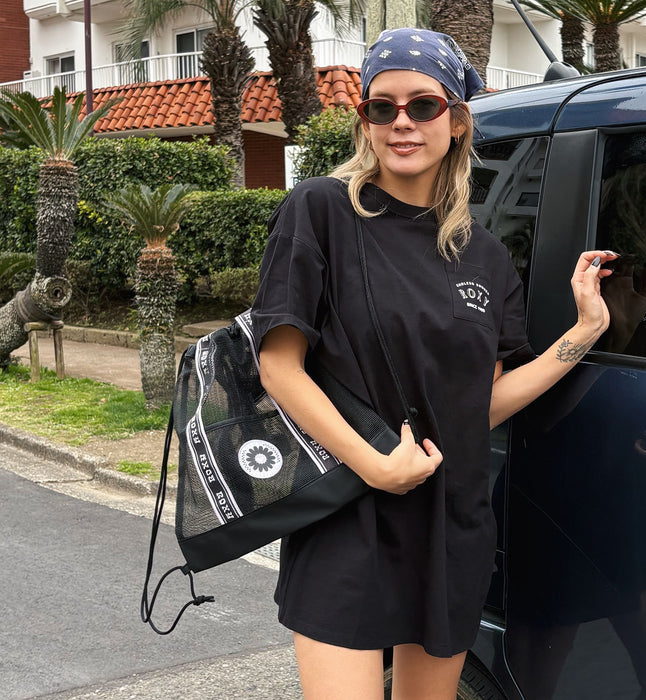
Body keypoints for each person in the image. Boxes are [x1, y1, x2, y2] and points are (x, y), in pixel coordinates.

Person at [250, 27, 616, 700]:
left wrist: (584, 331)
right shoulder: (321, 210)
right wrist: (375, 467)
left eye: (423, 105)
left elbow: (481, 405)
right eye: (380, 107)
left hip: (450, 522)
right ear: (363, 120)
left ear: (456, 120)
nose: (401, 122)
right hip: (347, 515)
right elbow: (279, 368)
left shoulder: (486, 257)